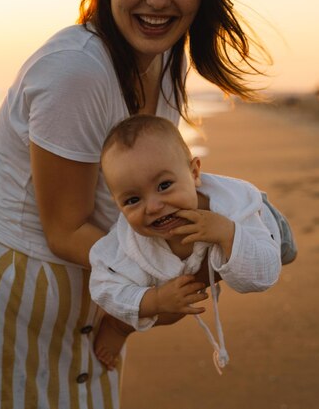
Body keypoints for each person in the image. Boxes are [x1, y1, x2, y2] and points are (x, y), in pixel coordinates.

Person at [0, 0, 273, 408]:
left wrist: (233, 240)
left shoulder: (163, 56)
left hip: (100, 294)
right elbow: (65, 229)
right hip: (11, 296)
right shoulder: (77, 70)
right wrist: (163, 282)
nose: (157, 0)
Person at [89, 114, 283, 374]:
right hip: (182, 271)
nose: (154, 206)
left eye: (164, 185)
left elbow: (263, 276)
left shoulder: (234, 208)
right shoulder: (126, 240)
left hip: (265, 224)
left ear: (194, 173)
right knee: (169, 310)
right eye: (133, 200)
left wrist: (228, 233)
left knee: (283, 249)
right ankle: (118, 326)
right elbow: (102, 285)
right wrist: (153, 300)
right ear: (118, 206)